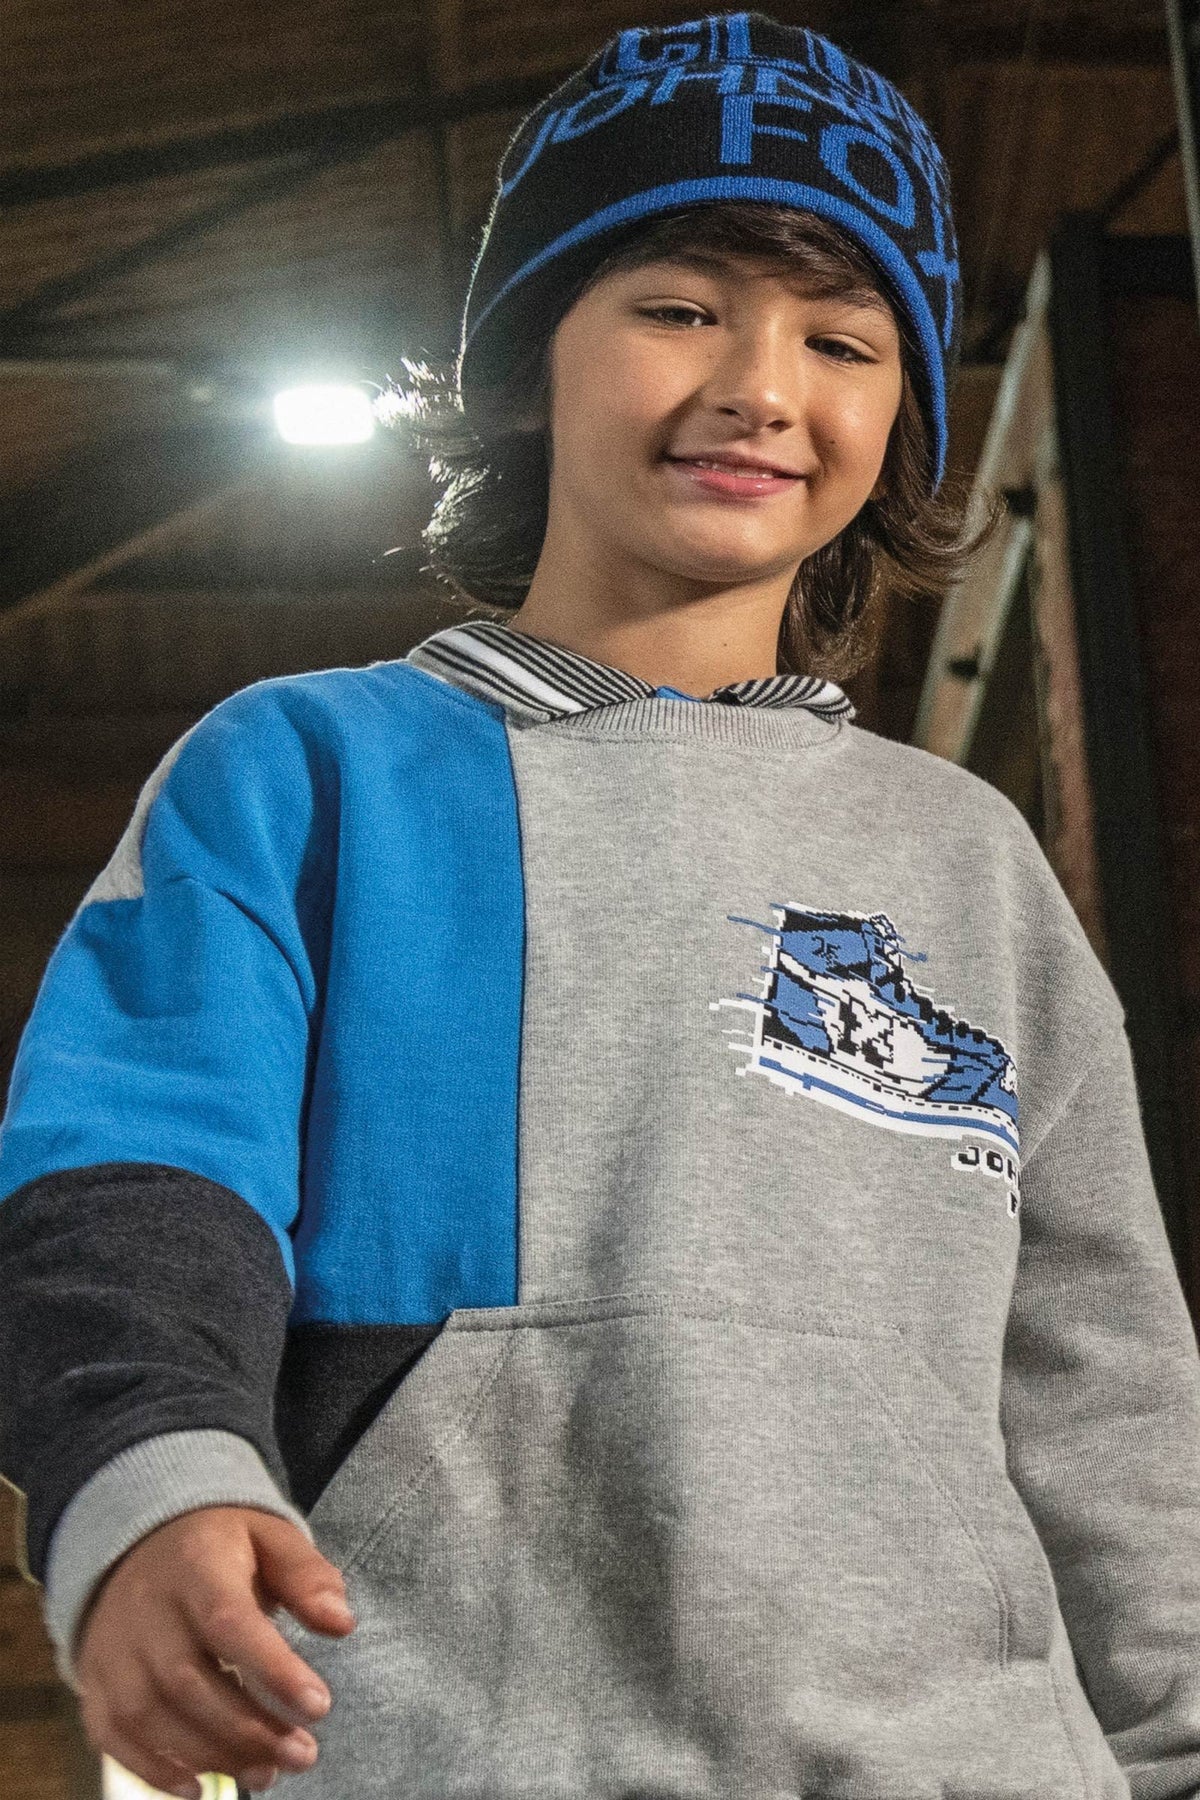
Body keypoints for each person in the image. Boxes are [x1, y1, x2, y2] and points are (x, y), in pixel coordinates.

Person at [1, 11, 1198, 1799]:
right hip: (465, 1744)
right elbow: (133, 1176)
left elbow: (1105, 1378)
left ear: (899, 416)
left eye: (842, 339)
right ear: (522, 364)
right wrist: (151, 1475)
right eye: (680, 308)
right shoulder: (311, 771)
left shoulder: (971, 856)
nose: (762, 387)